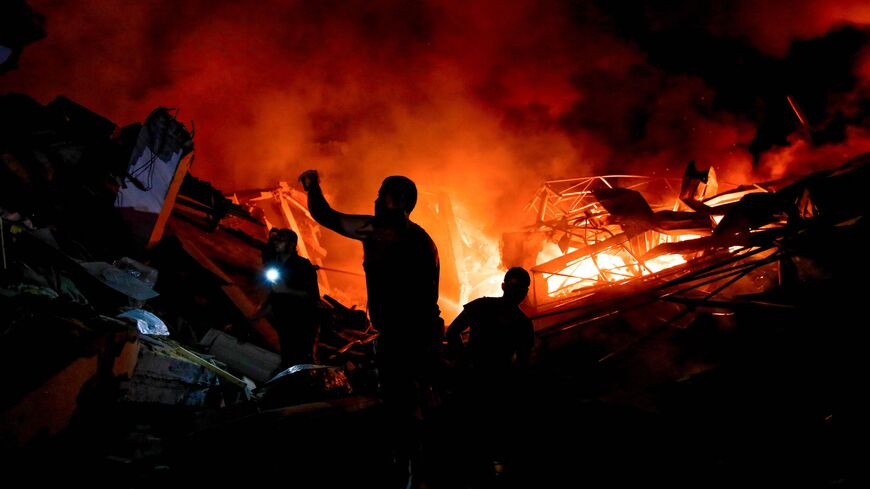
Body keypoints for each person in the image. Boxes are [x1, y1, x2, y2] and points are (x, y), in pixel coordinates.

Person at [299, 169, 442, 488]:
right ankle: (421, 471)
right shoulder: (424, 240)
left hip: (404, 338)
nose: (376, 199)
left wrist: (312, 185)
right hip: (424, 334)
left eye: (381, 194)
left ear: (398, 201)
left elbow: (326, 216)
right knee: (417, 405)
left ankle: (406, 476)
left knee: (401, 410)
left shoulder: (382, 230)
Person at [445, 267, 535, 479]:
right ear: (525, 293)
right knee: (490, 438)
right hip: (497, 385)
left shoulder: (481, 306)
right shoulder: (523, 324)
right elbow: (522, 363)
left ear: (504, 286)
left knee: (469, 435)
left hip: (474, 380)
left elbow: (452, 331)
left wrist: (462, 360)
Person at [252, 228, 321, 368]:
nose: (277, 242)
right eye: (277, 239)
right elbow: (275, 296)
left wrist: (286, 290)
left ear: (291, 244)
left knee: (301, 359)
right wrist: (259, 313)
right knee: (287, 357)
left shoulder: (303, 266)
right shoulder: (277, 265)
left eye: (281, 240)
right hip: (285, 320)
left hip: (302, 323)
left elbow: (312, 297)